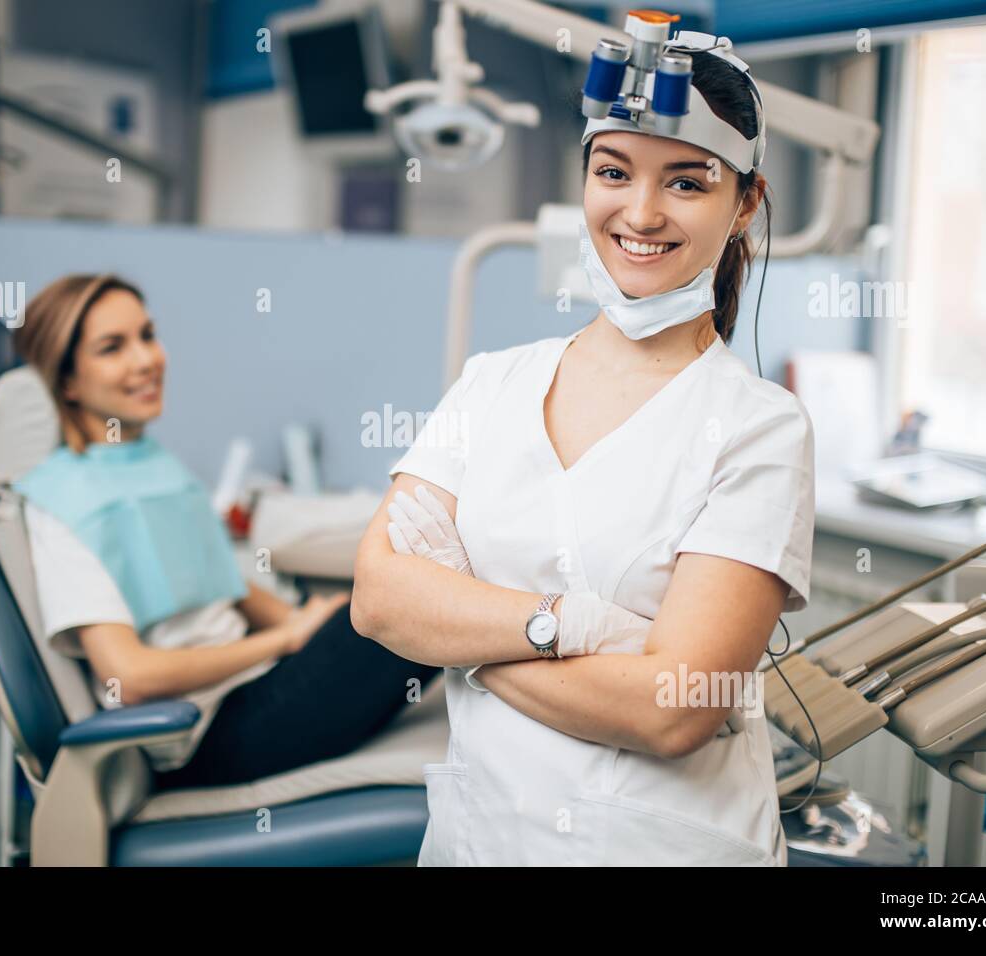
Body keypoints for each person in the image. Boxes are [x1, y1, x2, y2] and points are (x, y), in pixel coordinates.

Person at [351, 33, 814, 865]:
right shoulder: (491, 384)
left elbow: (671, 708)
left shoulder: (760, 428)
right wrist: (575, 625)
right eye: (614, 172)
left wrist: (465, 631)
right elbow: (380, 601)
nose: (640, 213)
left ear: (746, 204)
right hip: (480, 841)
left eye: (686, 181)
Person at [11, 273, 441, 788]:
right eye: (112, 348)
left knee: (424, 582)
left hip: (255, 687)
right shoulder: (59, 503)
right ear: (67, 382)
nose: (146, 359)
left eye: (147, 335)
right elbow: (130, 676)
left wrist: (308, 619)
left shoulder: (153, 464)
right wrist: (286, 638)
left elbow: (223, 591)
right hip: (210, 732)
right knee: (426, 576)